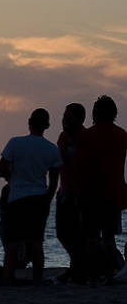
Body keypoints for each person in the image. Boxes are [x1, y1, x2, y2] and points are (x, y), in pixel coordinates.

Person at [0, 108, 62, 285]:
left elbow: (0, 170)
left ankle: (8, 278)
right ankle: (37, 279)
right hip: (39, 199)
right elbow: (54, 181)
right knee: (36, 242)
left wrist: (13, 179)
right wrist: (47, 200)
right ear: (47, 125)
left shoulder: (14, 143)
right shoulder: (52, 149)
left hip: (16, 198)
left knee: (12, 243)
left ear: (29, 122)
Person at [73, 96, 127, 283]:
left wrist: (76, 192)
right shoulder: (122, 135)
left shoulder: (86, 136)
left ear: (95, 113)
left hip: (91, 193)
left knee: (91, 237)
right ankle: (116, 271)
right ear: (114, 113)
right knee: (109, 238)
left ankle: (95, 274)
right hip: (114, 193)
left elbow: (80, 167)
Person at [55, 103, 86, 283]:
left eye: (69, 117)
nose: (65, 120)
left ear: (79, 119)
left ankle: (77, 268)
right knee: (62, 232)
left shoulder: (85, 137)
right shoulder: (63, 137)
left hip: (80, 193)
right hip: (64, 192)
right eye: (64, 116)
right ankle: (76, 266)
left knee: (77, 233)